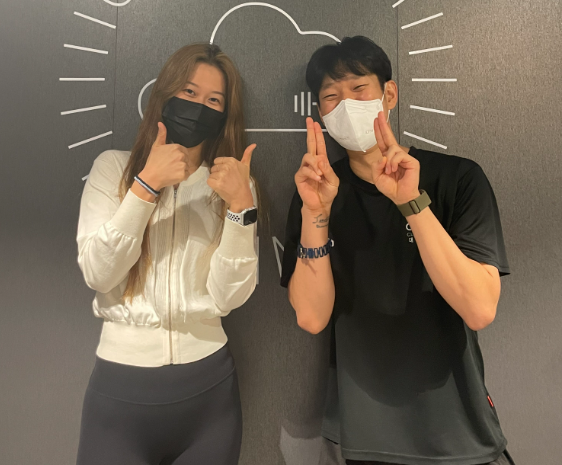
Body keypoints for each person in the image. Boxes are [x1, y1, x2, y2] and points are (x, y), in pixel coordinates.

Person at [280, 36, 515, 465]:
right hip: (360, 437)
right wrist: (316, 214)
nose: (345, 105)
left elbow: (480, 308)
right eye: (331, 97)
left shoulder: (457, 178)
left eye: (359, 89)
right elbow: (311, 317)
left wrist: (412, 203)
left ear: (389, 94)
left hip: (457, 436)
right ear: (320, 114)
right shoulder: (315, 191)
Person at [76, 43, 259, 465]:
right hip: (119, 394)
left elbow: (230, 296)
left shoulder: (232, 184)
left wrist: (240, 206)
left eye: (214, 101)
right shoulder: (113, 168)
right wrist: (146, 186)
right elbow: (99, 273)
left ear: (224, 114)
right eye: (189, 92)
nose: (198, 107)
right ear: (166, 93)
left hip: (210, 392)